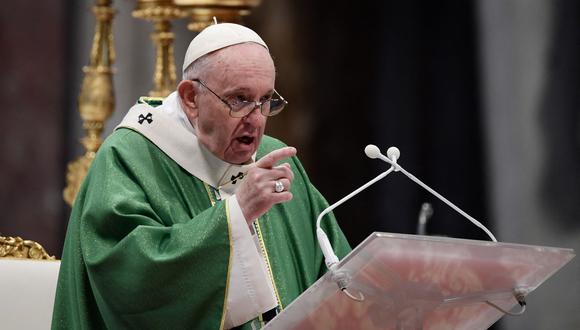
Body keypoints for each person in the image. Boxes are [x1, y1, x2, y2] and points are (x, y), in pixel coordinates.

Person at [52, 23, 350, 329]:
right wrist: (236, 213)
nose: (256, 119)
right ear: (191, 98)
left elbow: (338, 270)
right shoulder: (130, 157)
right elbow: (127, 281)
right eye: (240, 100)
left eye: (266, 101)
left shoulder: (275, 160)